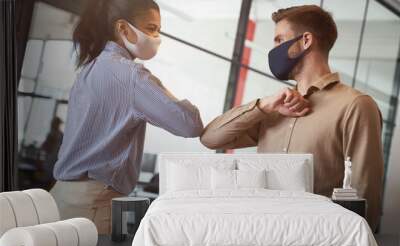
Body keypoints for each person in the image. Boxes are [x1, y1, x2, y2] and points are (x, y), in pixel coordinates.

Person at [201, 5, 383, 232]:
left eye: (279, 40)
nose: (274, 50)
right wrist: (264, 105)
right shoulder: (274, 108)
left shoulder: (355, 105)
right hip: (259, 235)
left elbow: (365, 197)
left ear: (306, 40)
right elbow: (210, 138)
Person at [51, 0, 203, 234]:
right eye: (151, 28)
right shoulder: (131, 76)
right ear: (123, 28)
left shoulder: (90, 68)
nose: (157, 37)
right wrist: (161, 89)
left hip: (61, 196)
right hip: (94, 203)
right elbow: (190, 125)